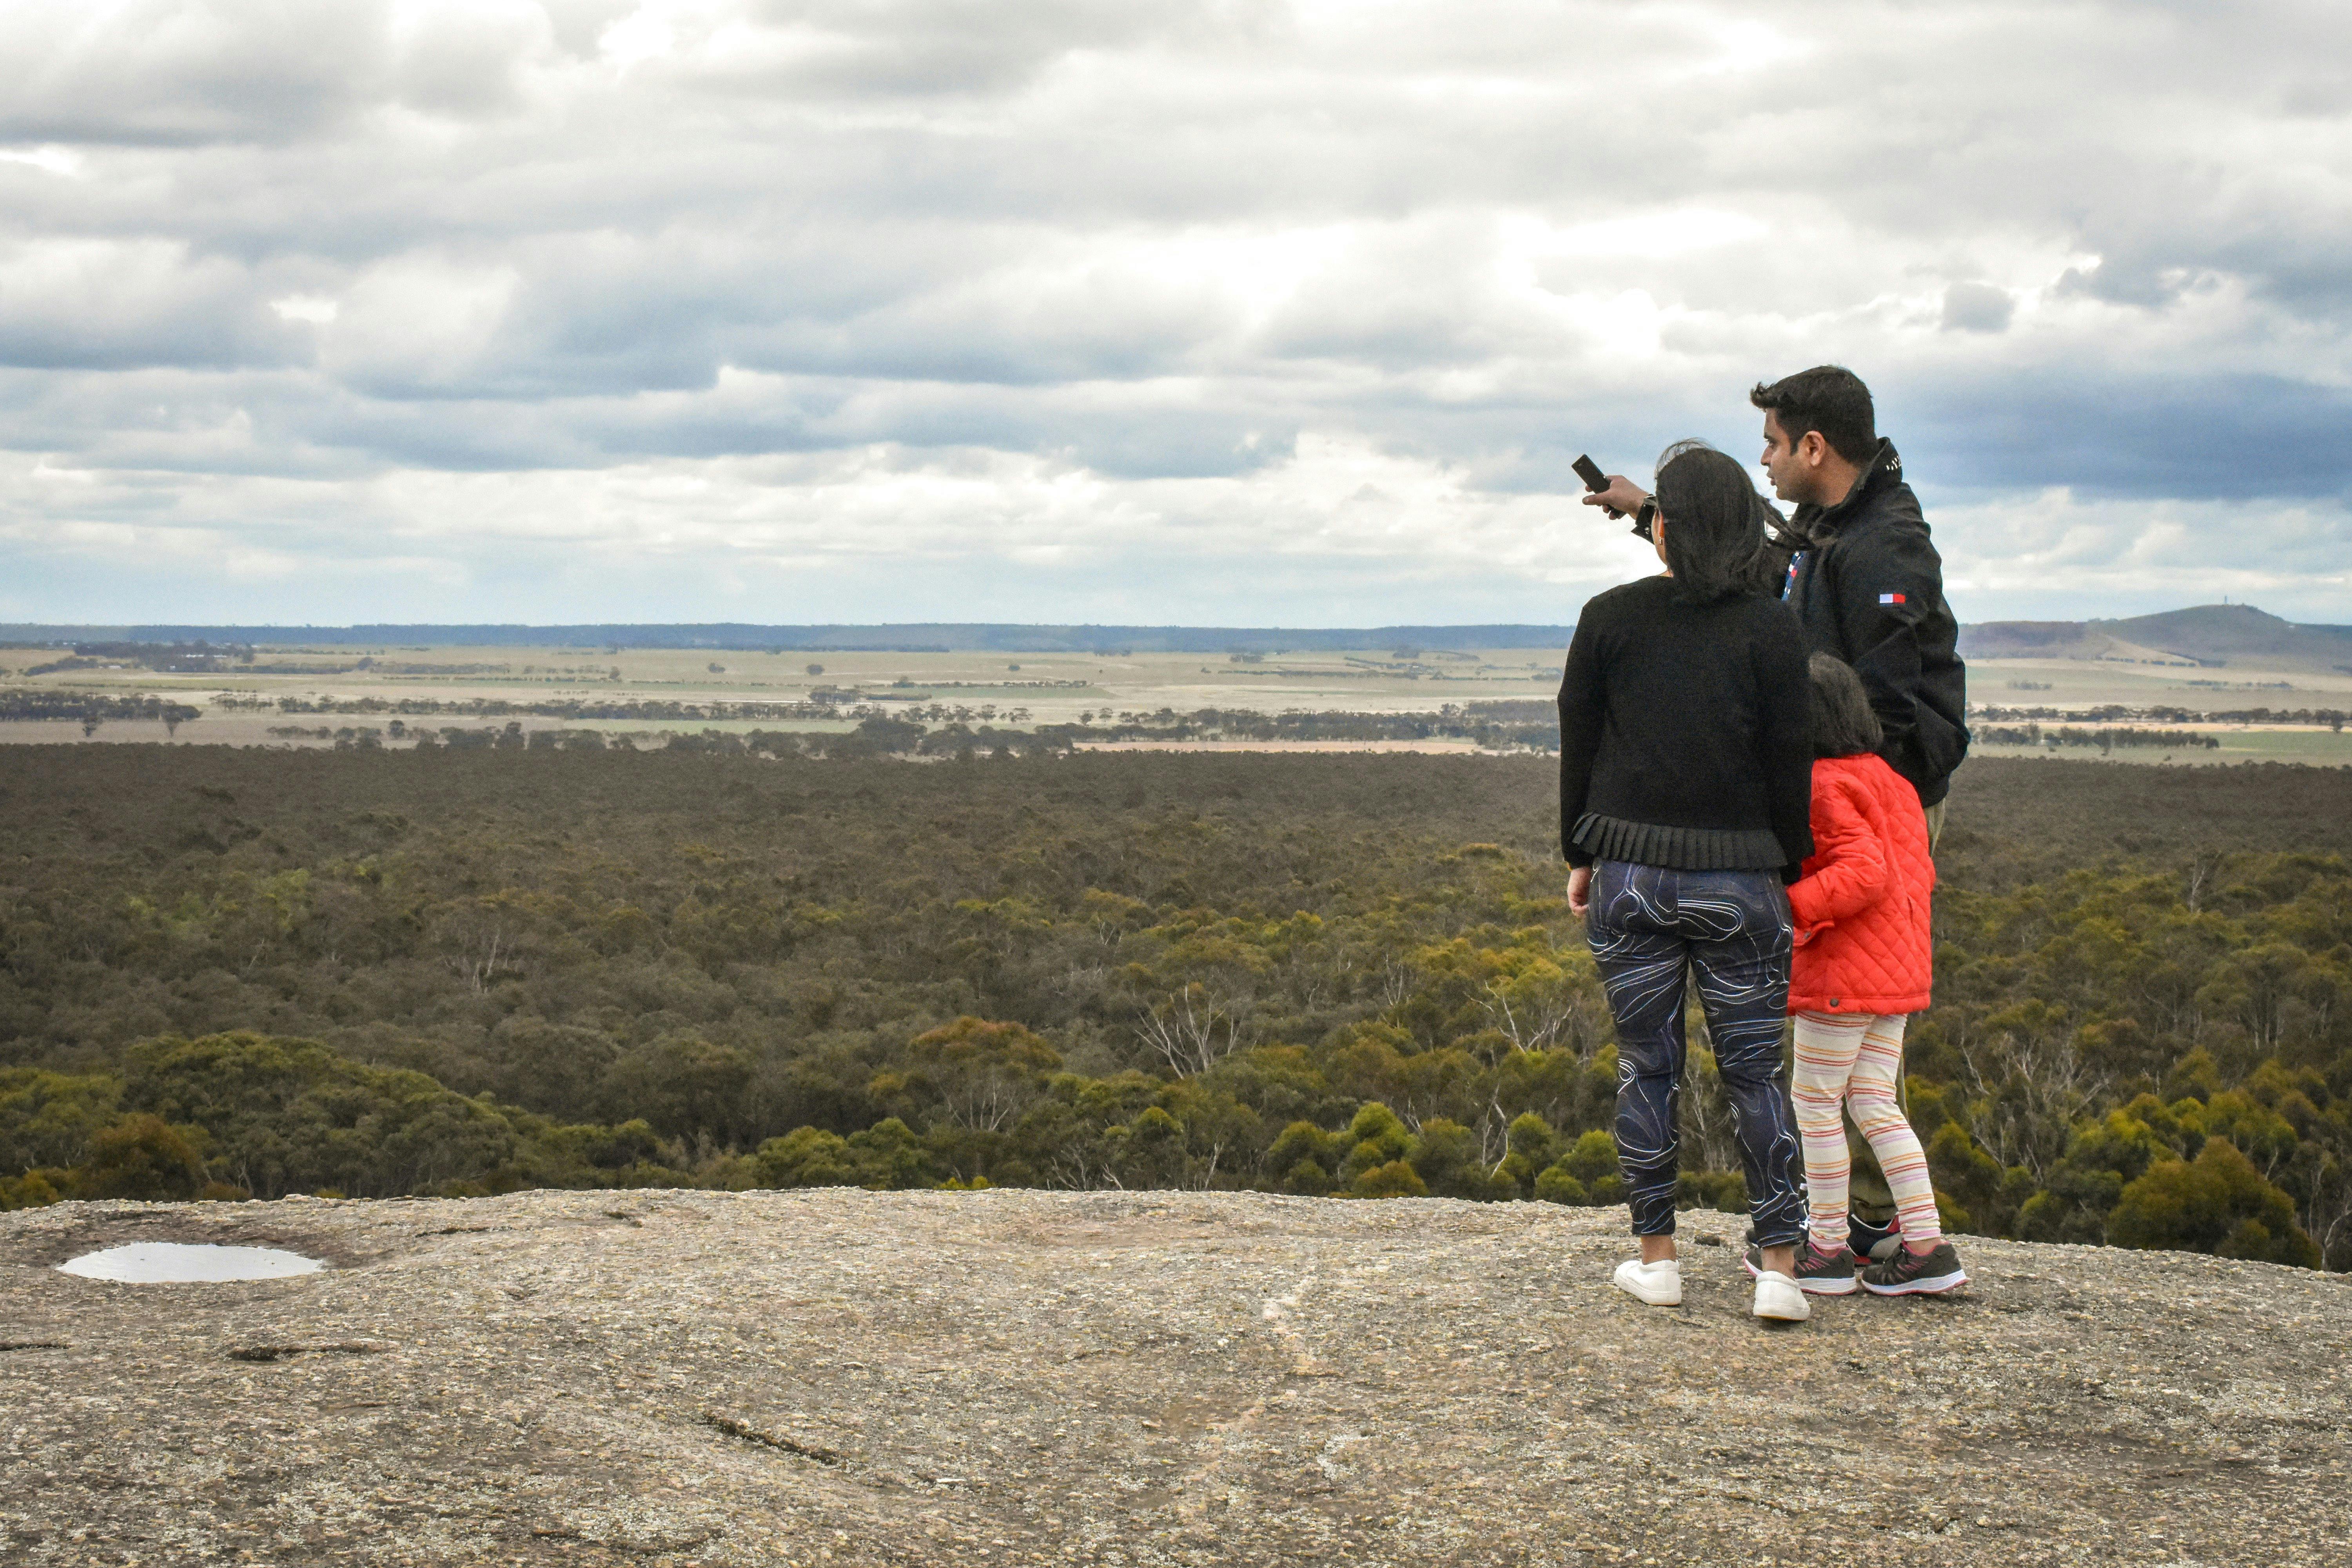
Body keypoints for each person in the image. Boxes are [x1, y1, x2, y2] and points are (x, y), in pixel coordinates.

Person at [1583, 366, 1968, 1257]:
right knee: (1847, 1018)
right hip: (1842, 799)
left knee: (1858, 1016)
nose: (1764, 460)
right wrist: (1654, 517)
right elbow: (1763, 567)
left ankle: (1863, 1221)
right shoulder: (1838, 526)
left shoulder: (1883, 547)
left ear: (1814, 447)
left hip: (1872, 803)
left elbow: (1888, 708)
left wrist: (1818, 805)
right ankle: (1860, 1219)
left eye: (1772, 442)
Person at [1560, 440, 1817, 1323]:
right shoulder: (1773, 628)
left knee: (1647, 1067)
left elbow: (1580, 744)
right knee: (1756, 1074)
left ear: (1661, 525)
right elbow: (1793, 762)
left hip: (1630, 871)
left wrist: (1579, 853)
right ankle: (1780, 1268)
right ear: (1745, 528)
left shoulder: (1609, 618)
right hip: (1742, 877)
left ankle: (1657, 1257)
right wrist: (1783, 862)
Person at [1751, 653, 1968, 1296]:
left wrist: (1787, 911)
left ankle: (1826, 1250)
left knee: (1814, 1104)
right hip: (1896, 970)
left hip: (1844, 975)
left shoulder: (1820, 783)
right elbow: (1913, 872)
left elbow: (1863, 872)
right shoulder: (1893, 780)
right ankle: (1926, 1246)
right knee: (1873, 1100)